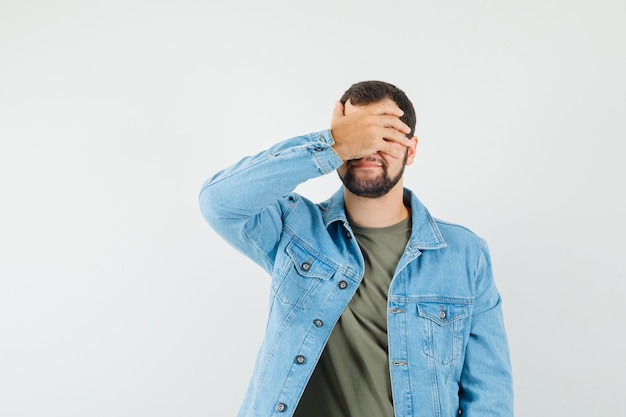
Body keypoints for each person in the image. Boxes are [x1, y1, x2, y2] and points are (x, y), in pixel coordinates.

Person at [199, 80, 513, 417]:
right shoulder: (293, 228)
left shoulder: (465, 255)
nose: (368, 150)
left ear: (412, 148)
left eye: (386, 135)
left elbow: (489, 394)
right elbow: (220, 202)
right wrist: (331, 144)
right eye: (359, 136)